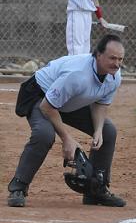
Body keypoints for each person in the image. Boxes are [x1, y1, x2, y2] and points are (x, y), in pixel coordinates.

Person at [7, 34, 126, 208]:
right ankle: (18, 186)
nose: (116, 63)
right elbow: (47, 106)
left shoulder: (114, 76)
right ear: (98, 55)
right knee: (44, 134)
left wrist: (98, 130)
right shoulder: (77, 75)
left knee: (108, 131)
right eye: (112, 58)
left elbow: (100, 104)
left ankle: (95, 190)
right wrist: (67, 139)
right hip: (40, 95)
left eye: (120, 59)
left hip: (67, 100)